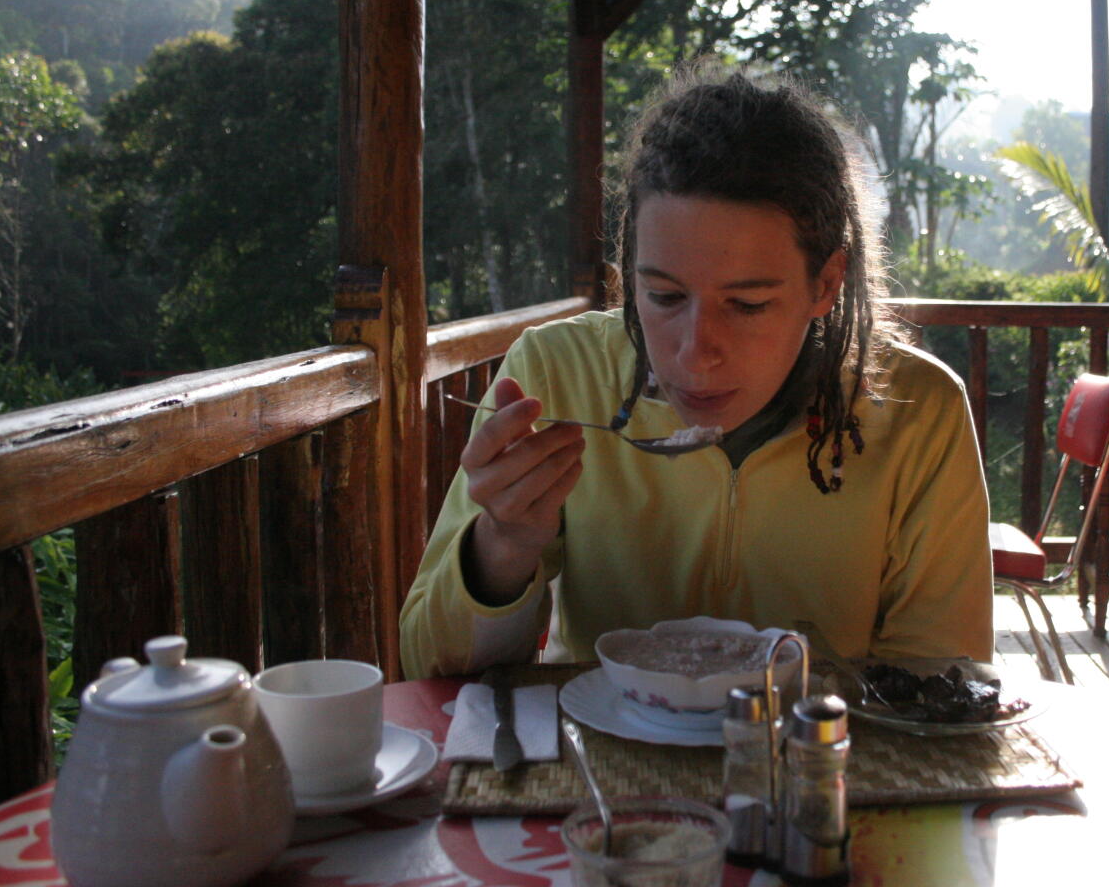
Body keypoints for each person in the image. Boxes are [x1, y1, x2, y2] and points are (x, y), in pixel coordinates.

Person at [399, 62, 994, 677]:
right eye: (664, 297)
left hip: (823, 762)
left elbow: (943, 677)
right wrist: (502, 545)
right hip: (600, 761)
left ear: (825, 284)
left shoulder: (917, 411)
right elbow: (428, 669)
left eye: (748, 305)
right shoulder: (557, 373)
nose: (694, 351)